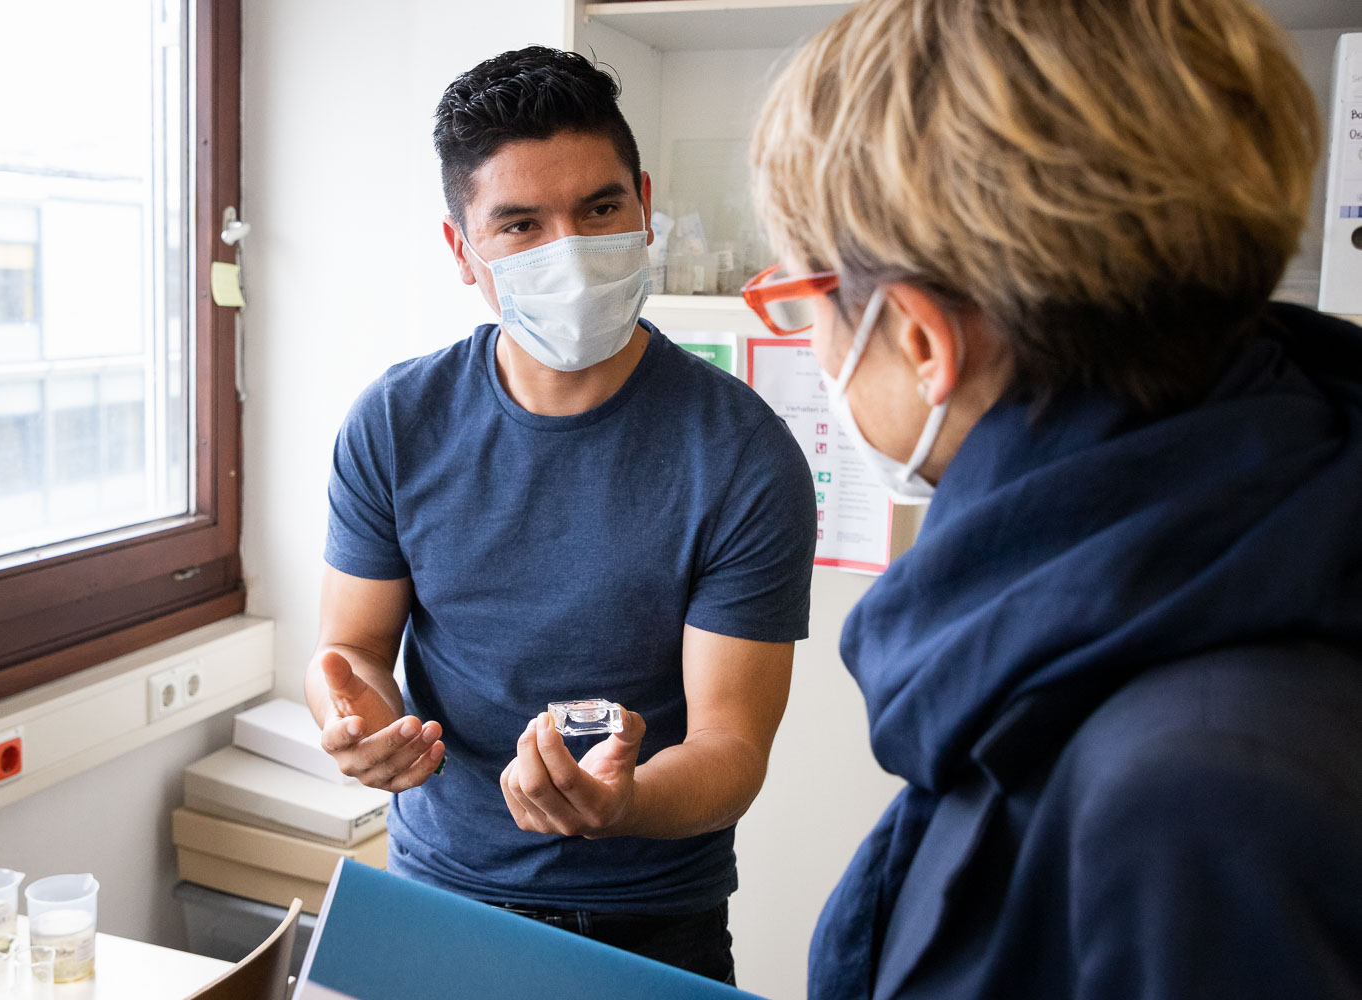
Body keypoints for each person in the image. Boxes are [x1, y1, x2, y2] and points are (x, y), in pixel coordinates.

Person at [744, 0, 1362, 997]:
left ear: (919, 339)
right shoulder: (1136, 607)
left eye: (805, 301)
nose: (812, 348)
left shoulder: (1206, 794)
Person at [305, 45, 816, 983]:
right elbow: (351, 652)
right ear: (463, 251)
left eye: (599, 209)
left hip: (650, 919)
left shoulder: (742, 454)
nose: (570, 252)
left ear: (645, 205)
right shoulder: (396, 422)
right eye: (520, 225)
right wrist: (358, 725)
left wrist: (618, 804)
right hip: (436, 896)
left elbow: (731, 746)